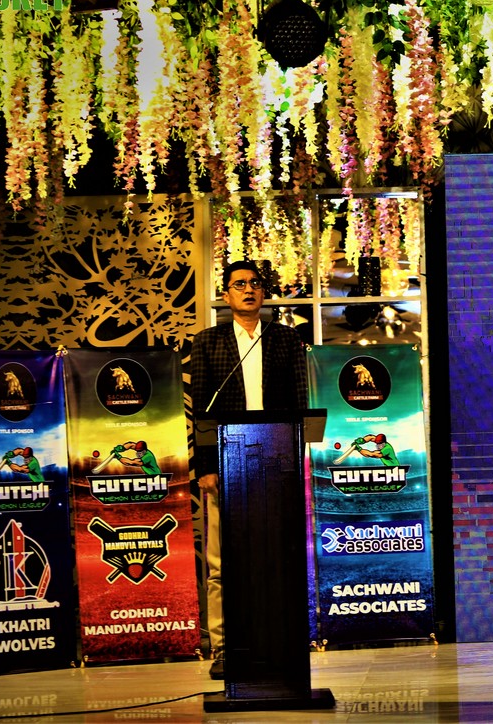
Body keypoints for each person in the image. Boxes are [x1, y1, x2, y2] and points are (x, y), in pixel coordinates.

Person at [188, 260, 308, 681]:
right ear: (226, 295)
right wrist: (206, 466)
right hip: (227, 463)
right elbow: (201, 408)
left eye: (255, 283)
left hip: (276, 462)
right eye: (239, 284)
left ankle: (280, 643)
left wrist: (295, 459)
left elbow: (299, 401)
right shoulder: (208, 342)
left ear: (264, 293)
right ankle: (224, 648)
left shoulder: (285, 339)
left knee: (278, 557)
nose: (249, 289)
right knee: (222, 565)